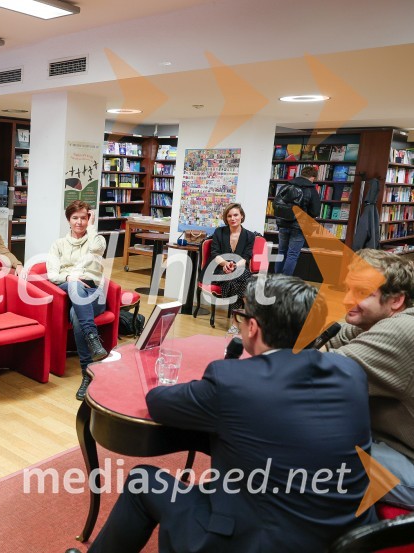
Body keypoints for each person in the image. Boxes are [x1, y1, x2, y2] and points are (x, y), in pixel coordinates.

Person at [89, 275, 375, 553]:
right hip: (349, 537)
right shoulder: (350, 372)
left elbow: (158, 402)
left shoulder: (234, 382)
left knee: (143, 480)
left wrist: (210, 383)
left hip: (260, 542)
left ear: (253, 328)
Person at [328, 249, 414, 508]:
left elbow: (319, 376)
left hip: (408, 462)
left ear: (396, 301)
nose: (346, 300)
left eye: (362, 292)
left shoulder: (400, 329)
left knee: (311, 447)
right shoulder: (376, 321)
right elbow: (328, 339)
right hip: (393, 445)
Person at [46, 200, 108, 400]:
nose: (79, 222)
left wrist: (92, 227)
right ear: (68, 220)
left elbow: (98, 248)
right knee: (74, 283)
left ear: (89, 218)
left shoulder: (95, 240)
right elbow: (52, 274)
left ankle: (86, 375)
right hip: (68, 287)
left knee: (75, 314)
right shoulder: (58, 244)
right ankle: (93, 340)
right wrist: (70, 278)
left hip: (94, 292)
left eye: (84, 217)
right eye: (75, 218)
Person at [204, 203, 258, 333]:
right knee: (244, 281)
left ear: (242, 216)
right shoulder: (219, 232)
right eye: (229, 216)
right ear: (226, 218)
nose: (233, 218)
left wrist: (233, 266)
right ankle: (251, 312)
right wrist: (225, 264)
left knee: (235, 279)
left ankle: (235, 324)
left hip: (238, 269)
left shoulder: (250, 236)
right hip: (218, 270)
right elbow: (215, 254)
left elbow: (246, 258)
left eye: (235, 215)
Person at [275, 166, 321, 276]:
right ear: (313, 177)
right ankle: (285, 283)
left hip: (282, 224)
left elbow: (277, 204)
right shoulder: (311, 190)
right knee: (292, 255)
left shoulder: (286, 186)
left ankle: (276, 279)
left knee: (281, 252)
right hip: (299, 227)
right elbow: (315, 212)